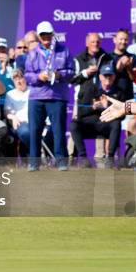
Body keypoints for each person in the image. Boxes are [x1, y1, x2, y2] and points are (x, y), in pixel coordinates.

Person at [24, 21, 74, 171]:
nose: (46, 37)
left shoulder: (64, 51)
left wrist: (59, 74)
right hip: (37, 97)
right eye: (43, 35)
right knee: (35, 130)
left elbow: (71, 72)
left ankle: (61, 162)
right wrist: (39, 76)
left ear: (53, 34)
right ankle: (34, 162)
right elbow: (27, 75)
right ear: (39, 37)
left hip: (57, 96)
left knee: (59, 130)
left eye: (48, 34)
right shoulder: (32, 53)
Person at [71, 64, 123, 168]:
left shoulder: (119, 92)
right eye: (105, 76)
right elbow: (81, 113)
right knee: (74, 125)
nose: (107, 78)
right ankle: (83, 158)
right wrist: (93, 107)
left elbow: (122, 116)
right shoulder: (90, 89)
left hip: (105, 125)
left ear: (114, 77)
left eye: (110, 75)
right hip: (90, 124)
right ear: (100, 77)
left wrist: (106, 106)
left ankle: (110, 158)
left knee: (116, 123)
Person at [110, 28, 136, 101]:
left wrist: (129, 68)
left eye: (126, 39)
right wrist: (117, 68)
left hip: (128, 98)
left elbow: (135, 79)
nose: (123, 42)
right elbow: (105, 79)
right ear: (114, 40)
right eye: (121, 39)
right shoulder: (107, 57)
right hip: (112, 98)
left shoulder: (133, 57)